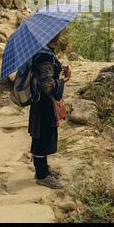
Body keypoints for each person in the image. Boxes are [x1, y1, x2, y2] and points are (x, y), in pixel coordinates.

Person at [29, 31, 71, 189]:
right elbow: (48, 87)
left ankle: (44, 169)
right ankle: (42, 175)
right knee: (43, 138)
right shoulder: (44, 56)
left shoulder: (43, 52)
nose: (59, 35)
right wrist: (64, 80)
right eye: (56, 33)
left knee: (44, 136)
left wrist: (59, 73)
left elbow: (46, 77)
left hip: (40, 103)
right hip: (44, 105)